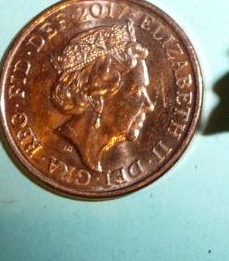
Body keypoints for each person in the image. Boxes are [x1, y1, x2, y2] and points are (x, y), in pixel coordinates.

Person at [51, 20, 154, 172]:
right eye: (136, 92)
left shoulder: (96, 160)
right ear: (96, 98)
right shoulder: (57, 150)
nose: (149, 105)